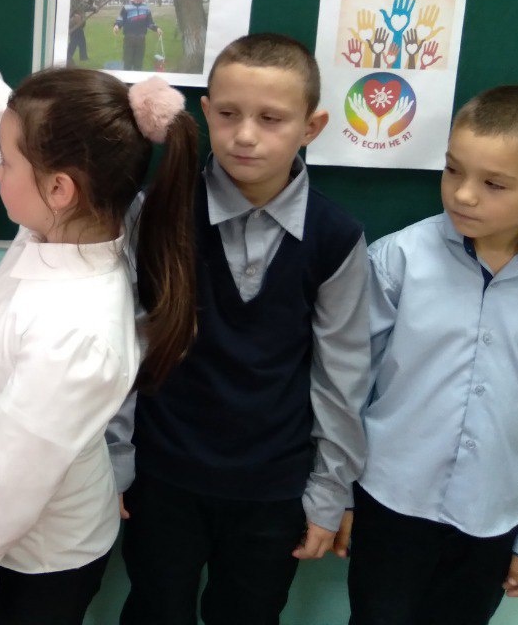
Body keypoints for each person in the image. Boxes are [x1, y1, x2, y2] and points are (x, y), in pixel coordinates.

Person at [0, 0, 201, 625]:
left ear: (59, 188)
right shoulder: (56, 228)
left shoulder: (75, 330)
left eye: (6, 164)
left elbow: (11, 485)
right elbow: (8, 125)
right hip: (5, 548)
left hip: (31, 564)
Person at [112, 32, 372, 625]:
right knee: (154, 611)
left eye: (271, 118)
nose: (245, 135)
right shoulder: (155, 212)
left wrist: (330, 491)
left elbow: (343, 376)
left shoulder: (336, 238)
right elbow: (125, 342)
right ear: (205, 113)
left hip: (273, 488)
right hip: (162, 475)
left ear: (312, 126)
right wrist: (116, 458)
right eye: (228, 114)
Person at [347, 85, 518, 625]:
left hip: (491, 517)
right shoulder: (397, 258)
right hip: (390, 501)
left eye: (493, 184)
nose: (463, 195)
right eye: (453, 170)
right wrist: (337, 491)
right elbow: (349, 386)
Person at [113, 0, 161, 71]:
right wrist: (117, 26)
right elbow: (120, 19)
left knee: (138, 64)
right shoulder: (126, 8)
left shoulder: (146, 9)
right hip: (129, 39)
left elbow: (150, 23)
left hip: (141, 40)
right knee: (127, 63)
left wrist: (157, 28)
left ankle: (137, 77)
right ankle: (127, 77)